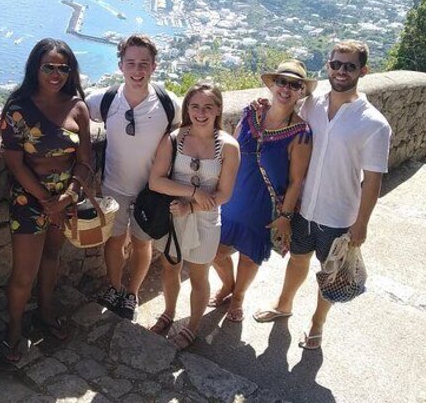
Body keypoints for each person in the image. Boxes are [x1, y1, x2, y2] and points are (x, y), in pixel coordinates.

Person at [253, 41, 391, 351]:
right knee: (297, 261)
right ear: (328, 66)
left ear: (363, 71)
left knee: (329, 275)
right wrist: (263, 107)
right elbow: (284, 114)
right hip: (303, 208)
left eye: (349, 66)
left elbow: (372, 181)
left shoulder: (374, 124)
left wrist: (362, 224)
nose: (341, 71)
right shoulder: (310, 104)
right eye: (336, 64)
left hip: (339, 214)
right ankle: (284, 305)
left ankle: (317, 323)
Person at [0, 38, 93, 361]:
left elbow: (85, 160)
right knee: (24, 272)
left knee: (52, 257)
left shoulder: (77, 107)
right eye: (48, 67)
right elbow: (14, 162)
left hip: (64, 200)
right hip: (29, 200)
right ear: (35, 68)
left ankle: (46, 313)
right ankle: (14, 328)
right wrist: (46, 200)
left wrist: (67, 197)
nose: (56, 74)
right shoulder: (18, 109)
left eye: (63, 68)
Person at [212, 59, 314, 323]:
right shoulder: (250, 114)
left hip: (263, 205)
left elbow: (296, 181)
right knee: (213, 251)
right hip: (233, 197)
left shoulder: (301, 133)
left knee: (249, 256)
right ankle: (227, 285)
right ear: (273, 84)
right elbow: (231, 153)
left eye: (295, 85)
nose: (287, 89)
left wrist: (286, 217)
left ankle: (237, 297)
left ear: (301, 91)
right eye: (282, 82)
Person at [86, 34, 179, 320]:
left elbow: (187, 133)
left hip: (150, 192)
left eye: (143, 64)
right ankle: (114, 287)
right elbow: (74, 111)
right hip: (114, 186)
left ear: (154, 66)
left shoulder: (168, 103)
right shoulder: (106, 99)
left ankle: (132, 293)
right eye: (131, 64)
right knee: (113, 242)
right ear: (121, 66)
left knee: (141, 244)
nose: (137, 71)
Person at [147, 82, 240, 350]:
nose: (201, 112)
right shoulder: (174, 139)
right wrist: (193, 191)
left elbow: (224, 194)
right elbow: (156, 181)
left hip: (206, 220)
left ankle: (193, 326)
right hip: (172, 217)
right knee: (170, 268)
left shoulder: (229, 146)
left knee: (199, 276)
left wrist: (193, 206)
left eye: (207, 107)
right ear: (187, 108)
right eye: (195, 106)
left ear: (218, 109)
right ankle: (168, 312)